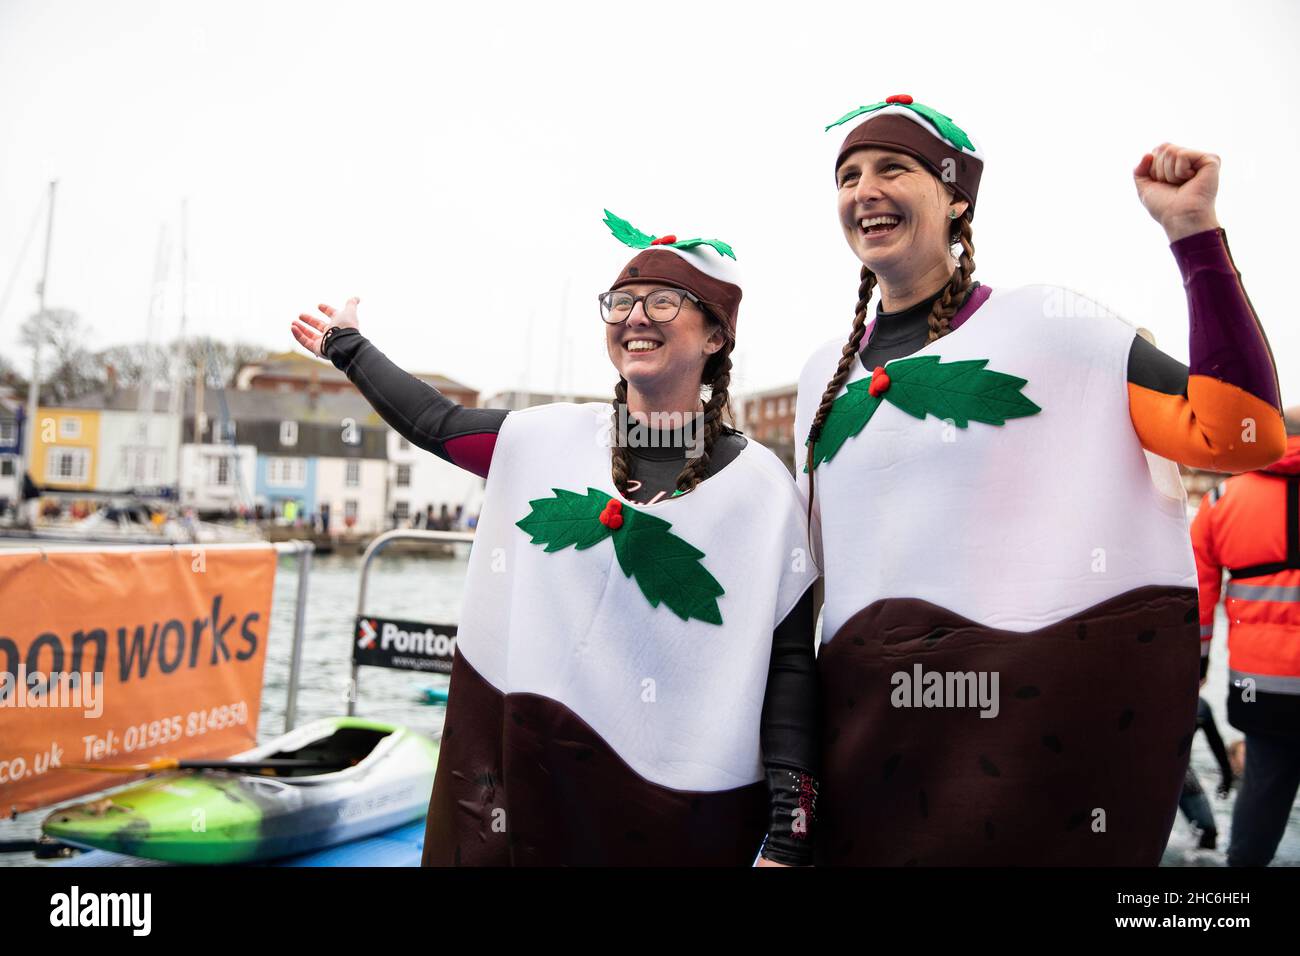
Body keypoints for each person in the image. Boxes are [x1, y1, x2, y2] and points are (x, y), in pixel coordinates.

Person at [793, 94, 1287, 865]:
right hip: (867, 746)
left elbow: (1242, 432)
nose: (864, 190)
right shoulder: (820, 375)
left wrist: (1193, 234)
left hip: (1022, 748)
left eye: (893, 167)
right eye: (848, 175)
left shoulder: (1054, 329)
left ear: (957, 198)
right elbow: (807, 593)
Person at [292, 211, 820, 866]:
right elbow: (438, 422)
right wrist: (347, 344)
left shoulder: (762, 492)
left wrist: (789, 836)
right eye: (620, 302)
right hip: (535, 790)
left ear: (715, 335)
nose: (635, 316)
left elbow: (791, 665)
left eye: (662, 301)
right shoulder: (547, 442)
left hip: (677, 813)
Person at [1191, 412, 1300, 866]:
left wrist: (1197, 665)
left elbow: (1197, 594)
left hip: (1264, 686)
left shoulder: (1220, 499)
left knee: (1261, 794)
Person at [1171, 698, 1235, 851]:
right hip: (1177, 771)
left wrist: (1227, 776)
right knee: (1207, 834)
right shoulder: (1200, 707)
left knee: (1207, 834)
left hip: (1179, 772)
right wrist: (1227, 777)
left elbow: (1216, 743)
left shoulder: (1201, 707)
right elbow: (1217, 743)